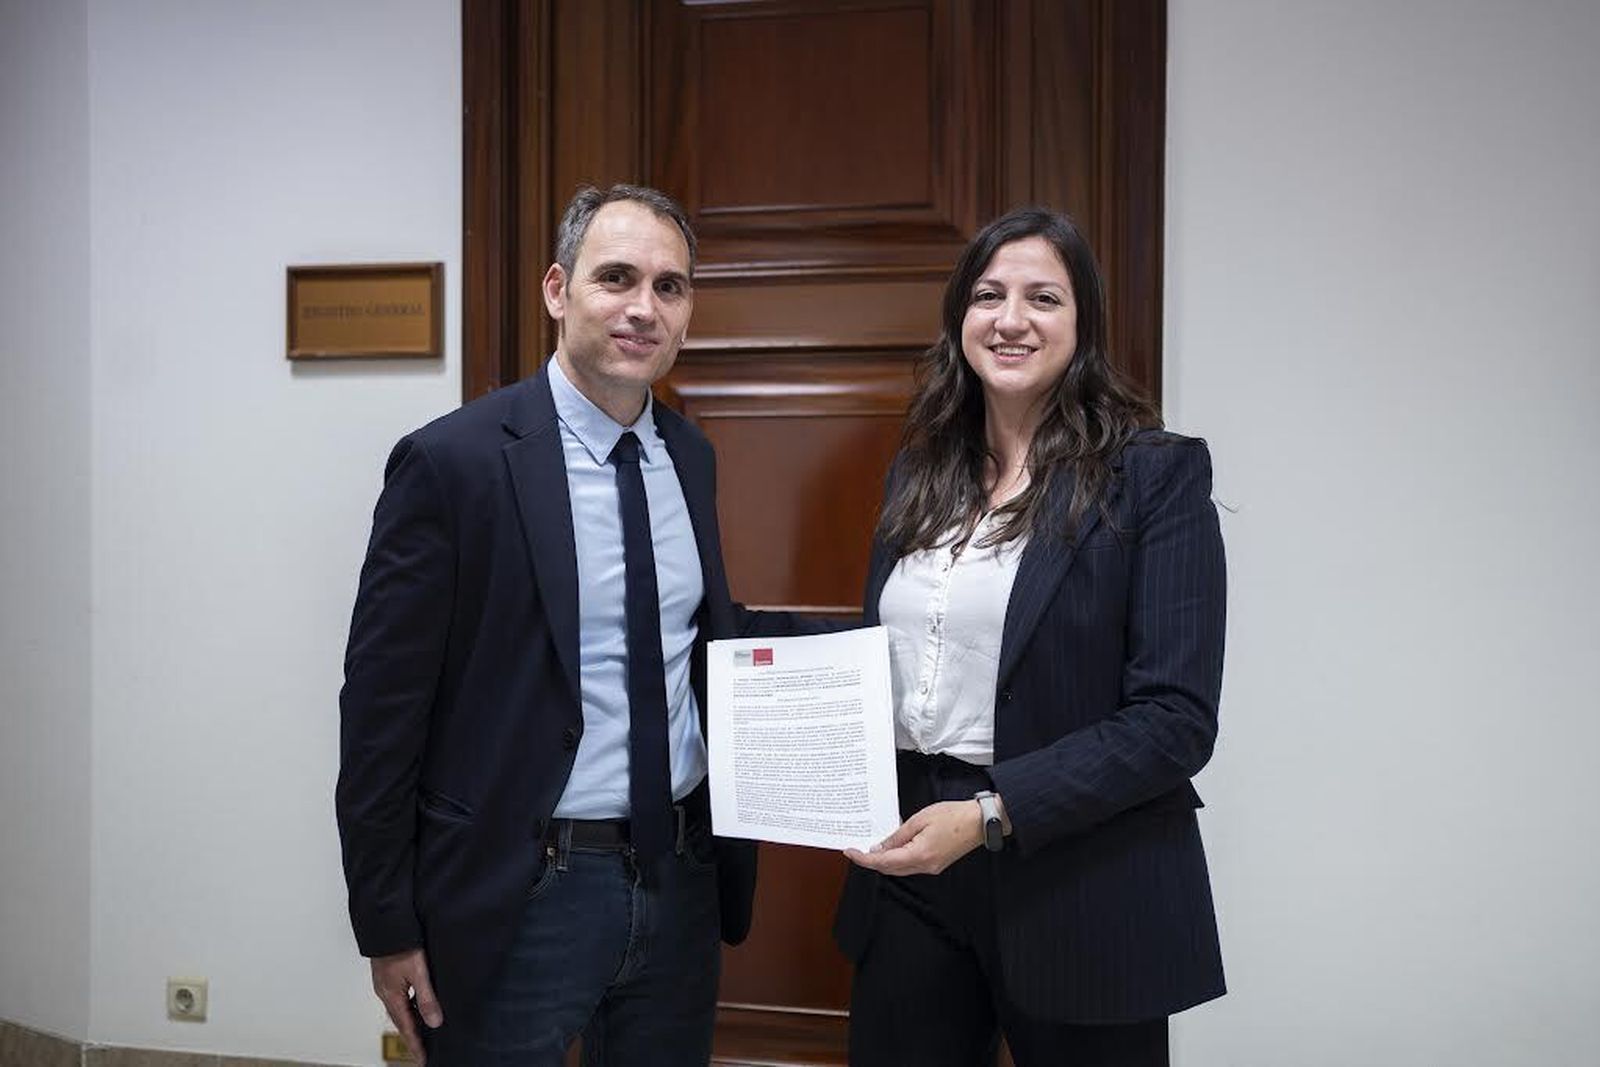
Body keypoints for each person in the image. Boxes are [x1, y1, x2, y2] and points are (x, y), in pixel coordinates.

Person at [336, 184, 789, 1065]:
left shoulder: (689, 455)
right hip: (525, 889)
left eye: (669, 287)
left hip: (679, 875)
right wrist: (386, 924)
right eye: (616, 277)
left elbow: (690, 641)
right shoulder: (452, 465)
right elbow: (381, 712)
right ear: (557, 289)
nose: (642, 308)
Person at [834, 207, 1227, 1067]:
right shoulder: (920, 470)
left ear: (1082, 324)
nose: (1011, 318)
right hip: (910, 866)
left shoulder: (1152, 475)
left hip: (1079, 876)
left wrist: (988, 815)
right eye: (988, 294)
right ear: (960, 319)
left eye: (1043, 297)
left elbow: (1175, 719)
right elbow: (885, 661)